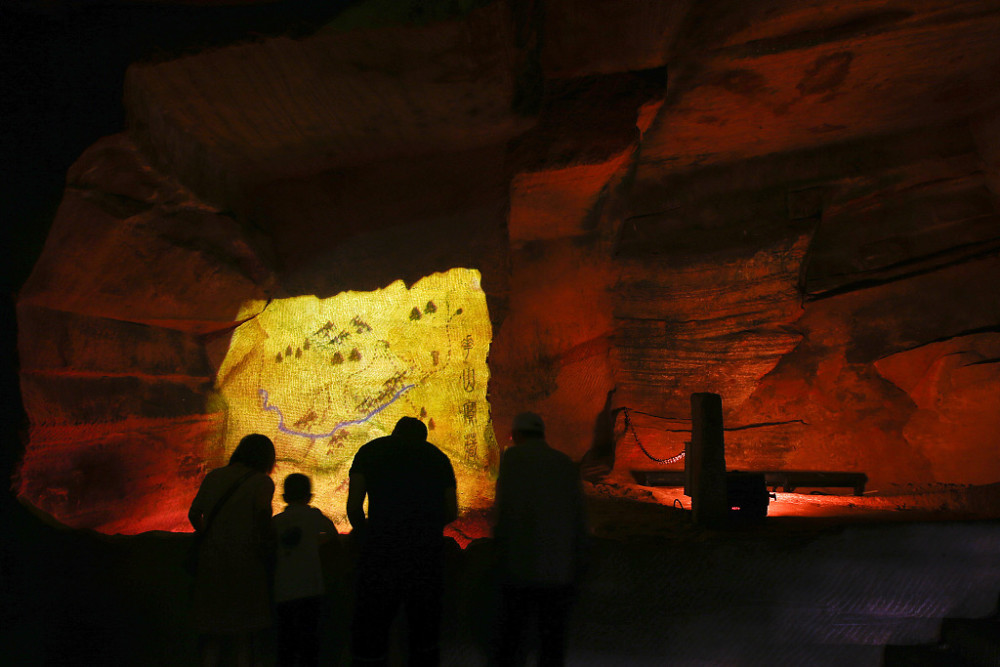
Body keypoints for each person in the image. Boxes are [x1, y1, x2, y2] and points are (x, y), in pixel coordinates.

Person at [346, 416, 458, 666]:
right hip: (425, 556)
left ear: (394, 432)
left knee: (371, 633)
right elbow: (452, 510)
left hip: (380, 553)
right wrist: (427, 529)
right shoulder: (438, 458)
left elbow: (354, 506)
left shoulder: (370, 451)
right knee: (424, 637)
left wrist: (366, 535)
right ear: (423, 437)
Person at [492, 412, 589, 667]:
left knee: (513, 639)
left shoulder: (513, 458)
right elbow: (579, 515)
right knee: (552, 643)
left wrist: (498, 548)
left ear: (516, 435)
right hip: (558, 568)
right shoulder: (564, 463)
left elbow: (504, 510)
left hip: (520, 564)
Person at [188, 433, 277, 667]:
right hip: (245, 563)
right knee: (243, 635)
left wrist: (210, 535)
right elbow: (262, 520)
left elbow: (193, 514)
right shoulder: (262, 482)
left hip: (211, 561)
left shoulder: (214, 476)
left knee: (212, 633)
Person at [273, 473, 339, 667]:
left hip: (283, 589)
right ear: (309, 496)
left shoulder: (276, 521)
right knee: (309, 639)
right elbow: (332, 533)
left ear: (284, 497)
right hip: (311, 587)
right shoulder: (313, 517)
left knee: (286, 641)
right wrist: (316, 542)